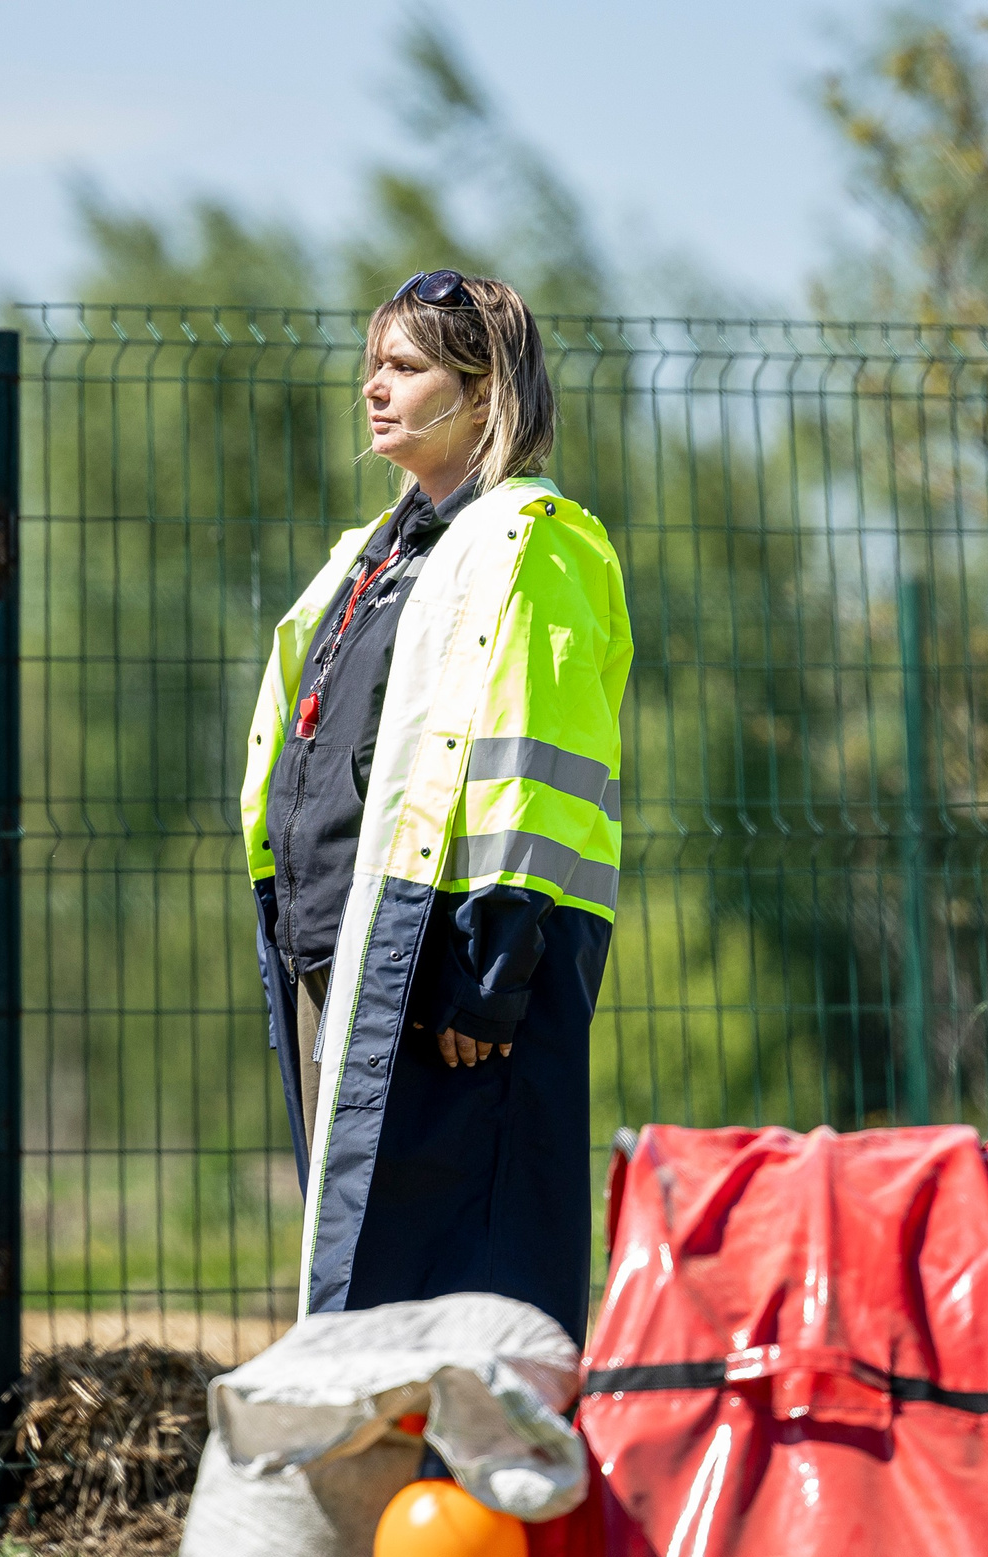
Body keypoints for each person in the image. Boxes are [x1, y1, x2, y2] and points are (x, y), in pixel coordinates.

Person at [240, 269, 631, 1346]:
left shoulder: (527, 539)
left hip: (446, 973)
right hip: (347, 951)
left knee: (454, 1286)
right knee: (367, 1284)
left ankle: (471, 1510)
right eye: (374, 363)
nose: (373, 387)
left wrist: (489, 971)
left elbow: (536, 768)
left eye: (404, 367)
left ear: (484, 388)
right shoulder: (379, 552)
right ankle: (390, 1507)